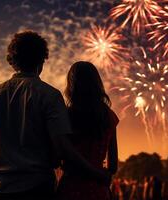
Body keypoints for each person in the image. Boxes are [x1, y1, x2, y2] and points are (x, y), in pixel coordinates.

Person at [0, 31, 110, 200]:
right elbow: (62, 147)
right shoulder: (49, 95)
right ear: (42, 60)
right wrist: (96, 173)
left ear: (12, 61)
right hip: (38, 188)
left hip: (0, 190)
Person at [57, 61, 119, 200]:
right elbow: (113, 165)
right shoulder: (109, 116)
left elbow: (60, 156)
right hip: (98, 189)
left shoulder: (66, 116)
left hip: (71, 188)